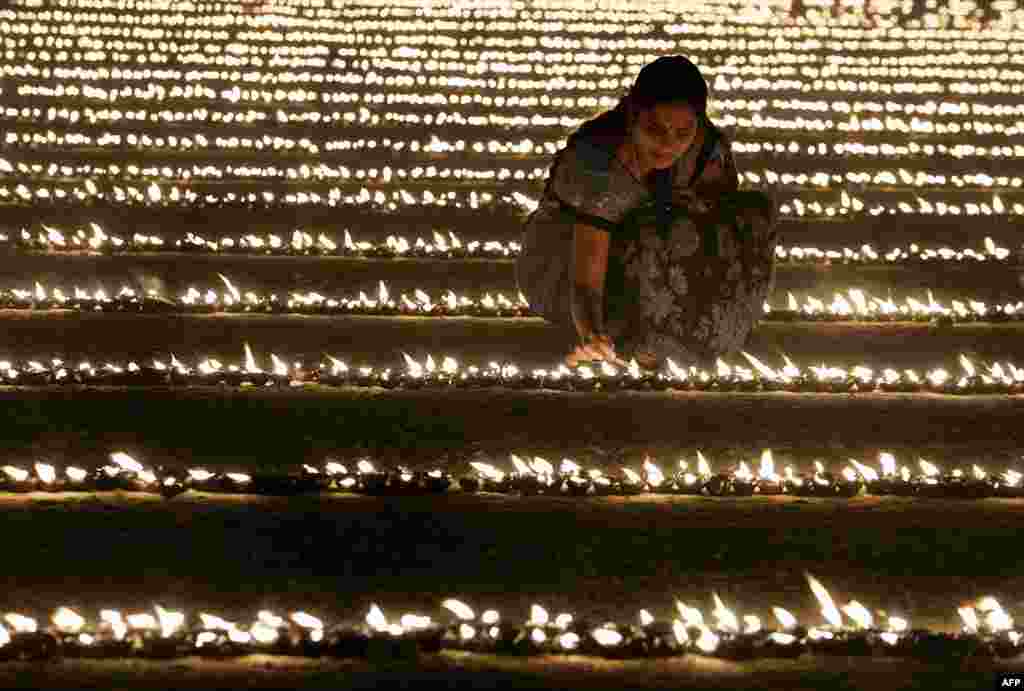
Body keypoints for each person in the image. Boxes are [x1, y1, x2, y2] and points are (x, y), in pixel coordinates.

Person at [516, 55, 777, 370]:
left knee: (750, 215)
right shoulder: (601, 157)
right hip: (563, 266)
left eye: (683, 133)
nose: (668, 144)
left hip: (651, 261)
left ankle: (681, 336)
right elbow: (586, 271)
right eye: (655, 129)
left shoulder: (708, 151)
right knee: (656, 229)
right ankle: (637, 338)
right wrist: (591, 331)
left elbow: (723, 237)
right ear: (632, 115)